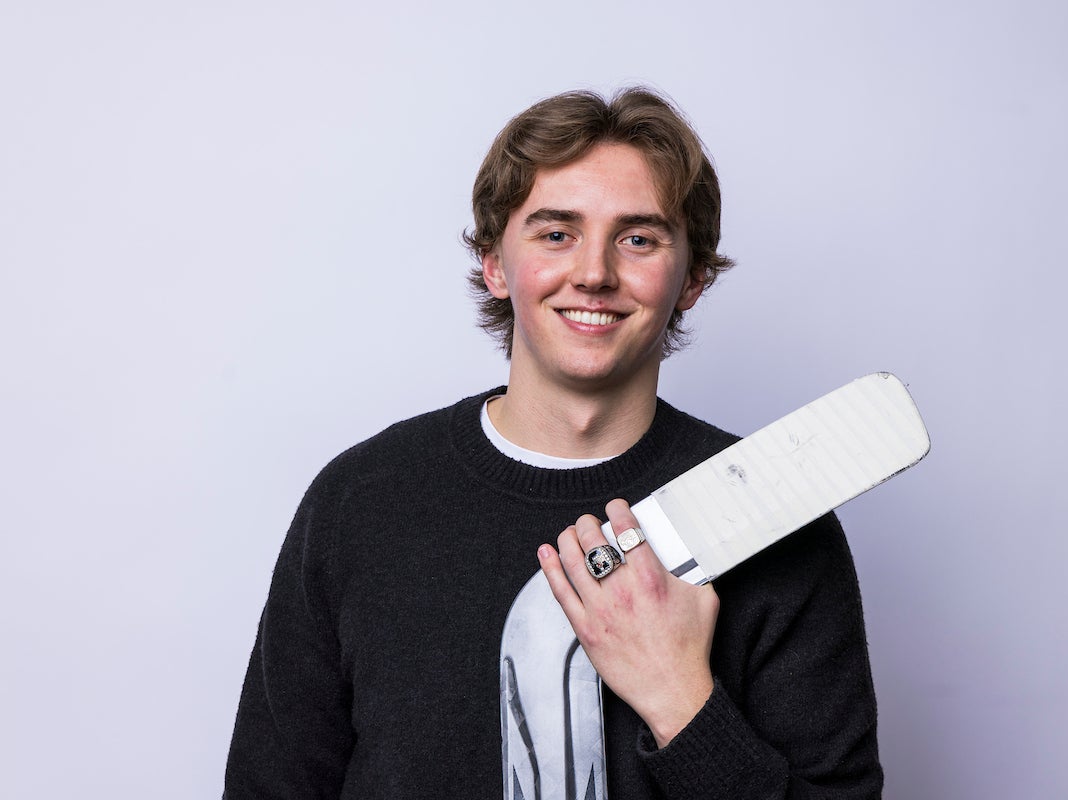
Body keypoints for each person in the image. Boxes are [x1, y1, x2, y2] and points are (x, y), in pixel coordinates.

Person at [225, 87, 884, 799]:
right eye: (555, 233)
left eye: (638, 238)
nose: (594, 273)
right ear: (495, 265)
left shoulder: (777, 518)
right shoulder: (360, 501)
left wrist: (679, 700)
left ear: (691, 278)